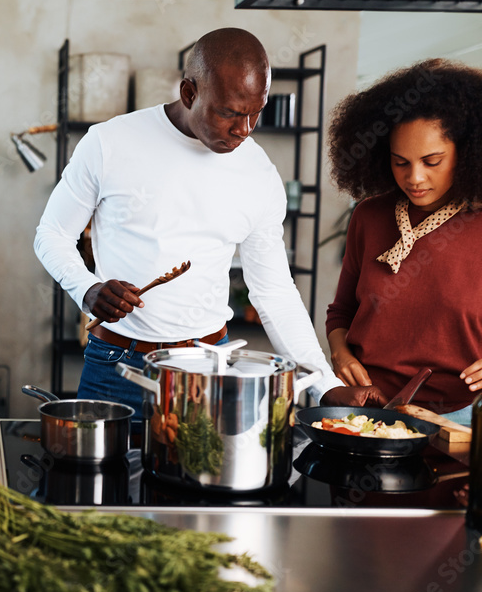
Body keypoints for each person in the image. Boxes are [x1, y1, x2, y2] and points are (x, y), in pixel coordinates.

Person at [34, 27, 342, 415]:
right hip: (116, 365)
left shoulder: (259, 174)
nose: (243, 131)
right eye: (229, 113)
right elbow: (52, 233)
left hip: (208, 372)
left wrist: (325, 385)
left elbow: (275, 292)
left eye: (255, 113)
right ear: (189, 93)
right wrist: (87, 289)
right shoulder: (109, 143)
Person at [322, 59, 482, 424]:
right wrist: (340, 354)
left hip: (457, 418)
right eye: (400, 162)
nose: (414, 177)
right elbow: (342, 311)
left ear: (468, 151)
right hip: (363, 410)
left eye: (432, 161)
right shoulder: (369, 216)